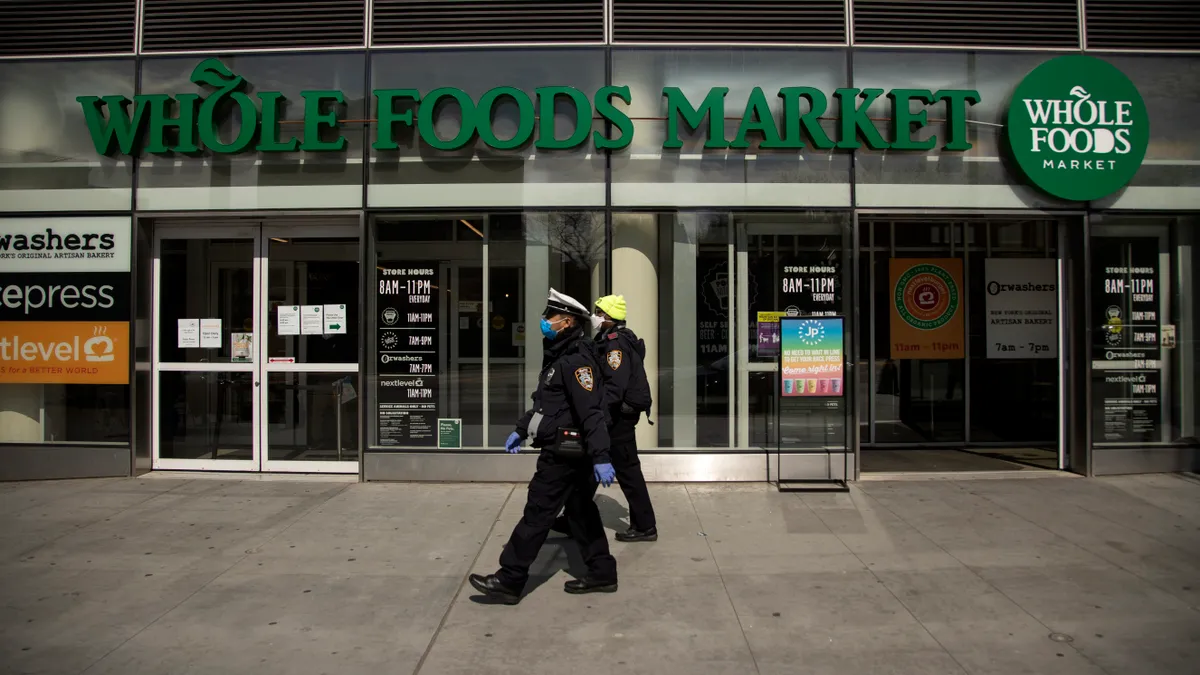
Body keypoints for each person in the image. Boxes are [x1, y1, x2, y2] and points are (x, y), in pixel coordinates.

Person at [469, 289, 618, 605]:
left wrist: (602, 456)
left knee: (538, 512)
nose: (543, 321)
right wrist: (522, 429)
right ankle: (603, 572)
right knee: (580, 511)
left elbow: (591, 411)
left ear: (566, 322)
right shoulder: (560, 356)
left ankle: (509, 580)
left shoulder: (576, 360)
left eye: (550, 316)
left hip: (565, 453)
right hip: (567, 449)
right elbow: (547, 404)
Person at [552, 295, 658, 542]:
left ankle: (645, 526)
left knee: (627, 471)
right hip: (614, 415)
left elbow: (615, 387)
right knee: (588, 467)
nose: (595, 317)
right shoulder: (610, 339)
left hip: (618, 417)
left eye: (599, 313)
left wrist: (594, 409)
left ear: (610, 317)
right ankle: (574, 518)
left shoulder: (616, 344)